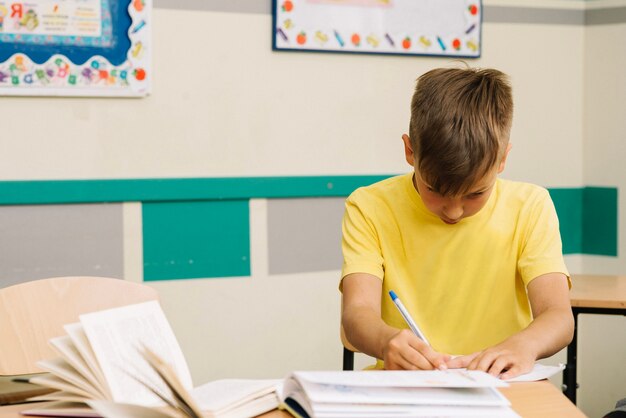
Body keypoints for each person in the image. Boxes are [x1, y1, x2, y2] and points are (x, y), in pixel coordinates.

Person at [340, 66, 574, 379]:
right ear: (410, 151)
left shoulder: (530, 206)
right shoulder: (369, 206)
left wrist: (523, 346)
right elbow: (357, 314)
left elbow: (558, 315)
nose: (454, 212)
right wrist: (387, 341)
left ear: (503, 159)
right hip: (402, 385)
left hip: (501, 386)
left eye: (475, 194)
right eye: (435, 190)